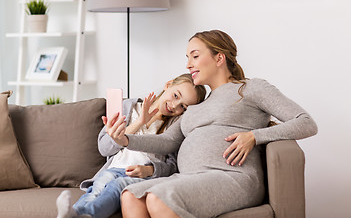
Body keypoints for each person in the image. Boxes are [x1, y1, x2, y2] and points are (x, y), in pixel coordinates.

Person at [103, 30, 318, 218]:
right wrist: (125, 140)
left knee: (159, 198)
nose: (188, 65)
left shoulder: (251, 89)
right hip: (188, 178)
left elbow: (306, 123)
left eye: (195, 56)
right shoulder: (194, 107)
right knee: (131, 196)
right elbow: (168, 141)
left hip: (233, 178)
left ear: (219, 58)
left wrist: (254, 136)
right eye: (187, 57)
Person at [55, 73, 207, 218]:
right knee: (96, 190)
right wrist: (140, 122)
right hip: (114, 170)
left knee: (117, 185)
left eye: (183, 107)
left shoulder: (174, 127)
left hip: (140, 178)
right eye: (175, 96)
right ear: (168, 85)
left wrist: (149, 170)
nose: (175, 106)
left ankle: (81, 214)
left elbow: (173, 166)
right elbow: (104, 148)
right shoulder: (128, 107)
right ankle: (75, 214)